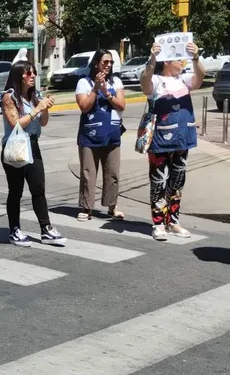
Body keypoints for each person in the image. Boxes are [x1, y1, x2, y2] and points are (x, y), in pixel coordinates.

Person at [139, 40, 206, 240]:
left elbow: (200, 77)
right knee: (158, 181)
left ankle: (173, 221)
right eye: (179, 59)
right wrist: (152, 59)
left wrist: (196, 58)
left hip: (182, 139)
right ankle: (158, 223)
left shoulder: (185, 80)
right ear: (167, 62)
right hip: (160, 141)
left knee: (177, 182)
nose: (183, 63)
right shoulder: (157, 81)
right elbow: (144, 83)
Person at [0, 60, 66, 247]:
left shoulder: (34, 95)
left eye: (34, 73)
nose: (32, 76)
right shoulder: (9, 98)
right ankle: (14, 229)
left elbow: (43, 123)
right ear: (19, 76)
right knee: (16, 191)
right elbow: (16, 125)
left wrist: (45, 109)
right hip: (16, 146)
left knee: (38, 189)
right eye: (28, 73)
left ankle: (46, 229)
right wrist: (37, 109)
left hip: (33, 145)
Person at [75, 49, 125, 221]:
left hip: (112, 133)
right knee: (88, 172)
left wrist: (107, 92)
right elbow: (84, 107)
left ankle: (112, 206)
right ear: (96, 63)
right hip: (90, 134)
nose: (108, 65)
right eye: (105, 62)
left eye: (110, 62)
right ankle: (86, 207)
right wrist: (96, 88)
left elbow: (121, 105)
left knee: (112, 172)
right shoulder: (84, 82)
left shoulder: (116, 81)